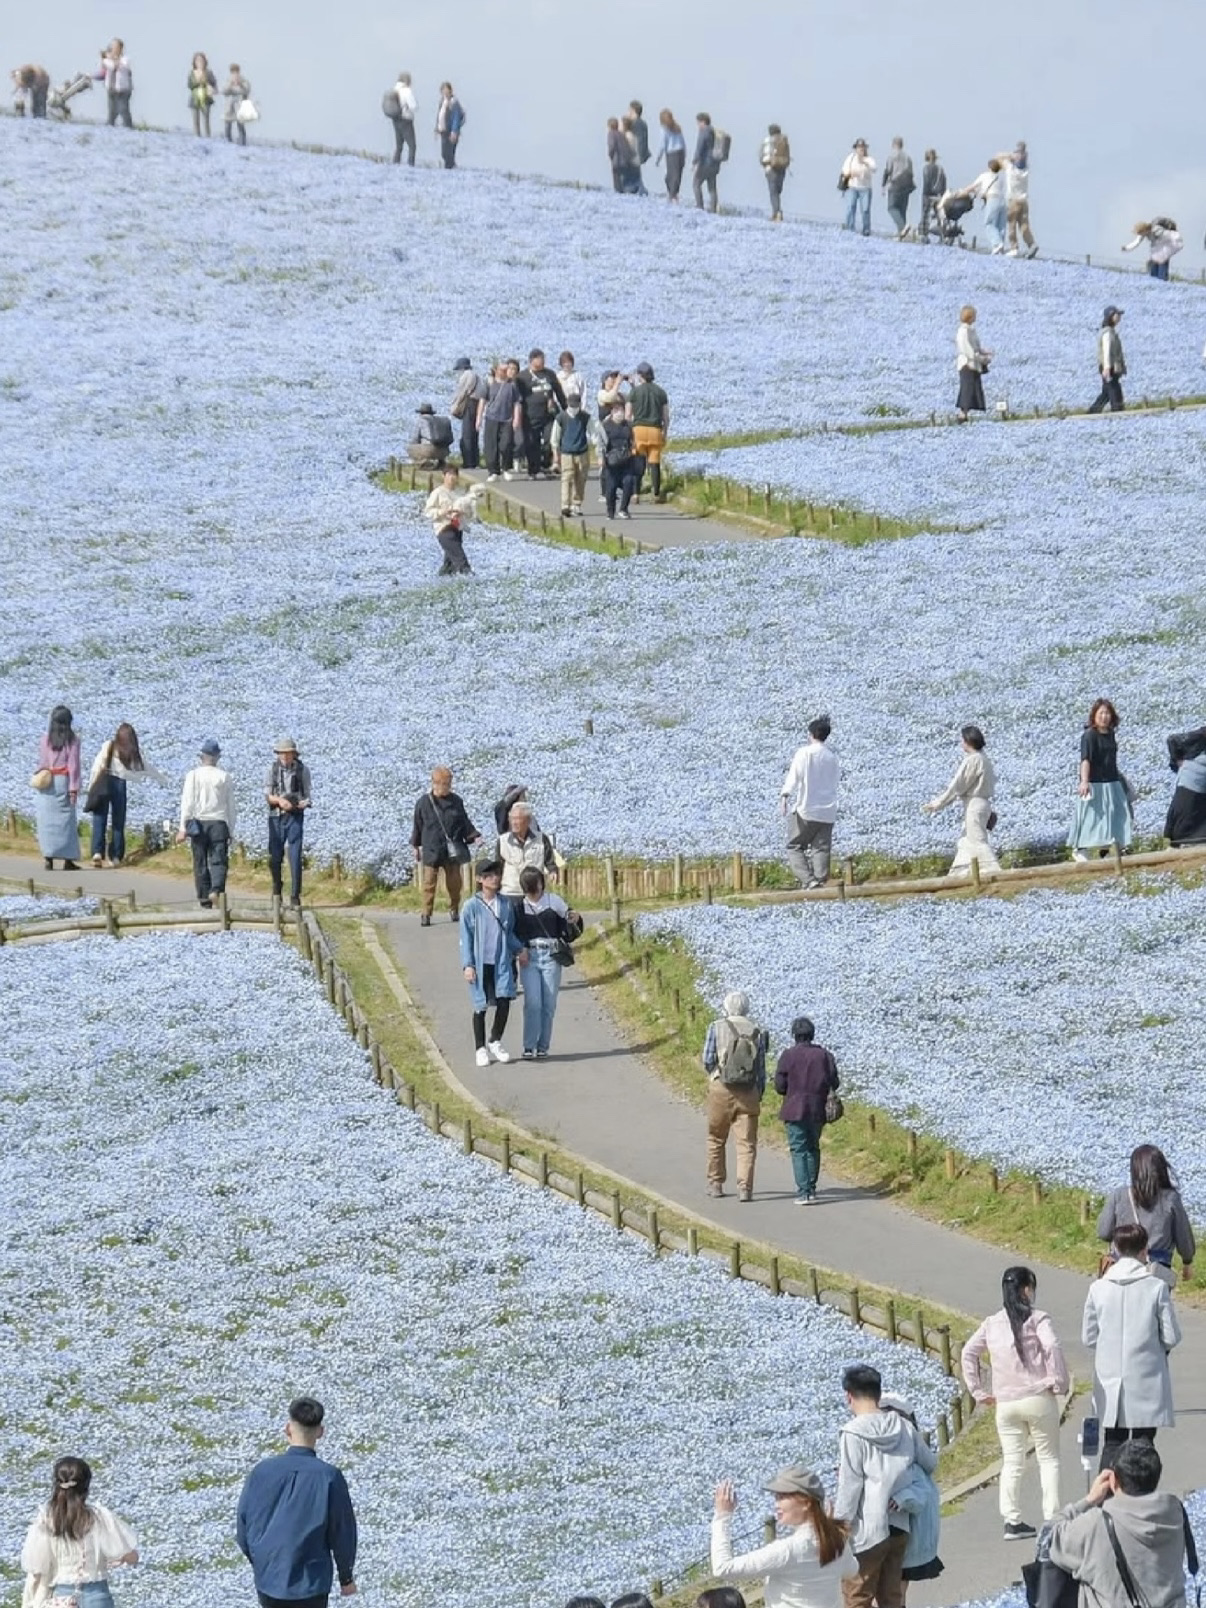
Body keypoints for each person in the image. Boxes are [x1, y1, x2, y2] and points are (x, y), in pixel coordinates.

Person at [960, 1267, 1069, 1539]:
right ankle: (1052, 1518)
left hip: (1006, 1403)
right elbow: (1052, 1346)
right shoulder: (1037, 1318)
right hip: (1038, 1397)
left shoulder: (991, 1323)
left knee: (1012, 1461)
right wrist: (1058, 1381)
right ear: (1026, 1290)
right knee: (1048, 1459)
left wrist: (977, 1390)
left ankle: (1011, 1521)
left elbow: (968, 1353)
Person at [236, 1396, 357, 1608]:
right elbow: (342, 1531)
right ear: (320, 1432)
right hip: (311, 1583)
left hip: (270, 1581)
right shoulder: (329, 1477)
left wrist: (261, 1562)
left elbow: (244, 1524)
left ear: (288, 1429)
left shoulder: (262, 1472)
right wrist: (346, 1577)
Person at [832, 1364, 938, 1608]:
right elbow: (930, 1463)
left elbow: (850, 1487)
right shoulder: (904, 1426)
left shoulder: (852, 1433)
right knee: (892, 1598)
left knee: (857, 1597)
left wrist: (838, 1531)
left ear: (849, 1396)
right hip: (899, 1525)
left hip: (867, 1530)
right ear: (878, 1394)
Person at [1047, 1442, 1197, 1608]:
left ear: (1113, 1479)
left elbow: (1048, 1537)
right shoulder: (1175, 1512)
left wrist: (1088, 1501)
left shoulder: (1096, 1524)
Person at [1084, 1223, 1182, 1468]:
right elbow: (1171, 1336)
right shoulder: (1156, 1287)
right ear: (1145, 1250)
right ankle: (1141, 1490)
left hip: (1109, 1378)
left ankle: (1107, 1490)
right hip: (1146, 1377)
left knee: (1112, 1442)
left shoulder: (1098, 1288)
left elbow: (1089, 1337)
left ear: (1115, 1249)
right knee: (1143, 1443)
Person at [710, 1466, 856, 1608]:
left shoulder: (787, 1550)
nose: (776, 1505)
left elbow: (723, 1568)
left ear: (806, 1503)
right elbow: (852, 1570)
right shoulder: (837, 1539)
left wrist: (722, 1516)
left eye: (782, 1497)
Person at [21, 1456, 138, 1608]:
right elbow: (131, 1556)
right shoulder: (100, 1518)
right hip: (97, 1597)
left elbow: (36, 1567)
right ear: (86, 1486)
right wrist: (117, 1558)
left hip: (62, 1600)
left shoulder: (45, 1522)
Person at [1097, 1145, 1195, 1288]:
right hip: (1156, 1270)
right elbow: (1183, 1236)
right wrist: (1187, 1261)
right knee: (1157, 1301)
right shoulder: (1170, 1198)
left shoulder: (1119, 1195)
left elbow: (1104, 1232)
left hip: (1121, 1266)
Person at [701, 990, 768, 1201]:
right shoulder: (757, 1031)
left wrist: (716, 1074)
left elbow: (707, 1059)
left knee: (716, 1137)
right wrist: (759, 1092)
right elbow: (761, 1068)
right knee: (746, 1143)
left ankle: (716, 1183)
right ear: (746, 1008)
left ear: (726, 1007)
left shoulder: (716, 1027)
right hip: (748, 1091)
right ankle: (745, 1188)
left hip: (721, 1088)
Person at [460, 858, 527, 1066]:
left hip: (501, 961)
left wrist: (520, 949)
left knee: (504, 1000)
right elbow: (466, 938)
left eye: (496, 874)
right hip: (480, 963)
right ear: (480, 879)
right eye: (489, 876)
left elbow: (509, 932)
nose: (494, 879)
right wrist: (468, 965)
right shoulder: (471, 906)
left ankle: (495, 1040)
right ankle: (480, 1048)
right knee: (480, 1005)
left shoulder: (505, 904)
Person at [513, 866, 582, 1059]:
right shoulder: (520, 906)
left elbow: (570, 920)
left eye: (537, 883)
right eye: (532, 885)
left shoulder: (554, 901)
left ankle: (543, 1046)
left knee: (549, 1004)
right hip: (530, 955)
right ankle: (529, 1045)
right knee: (533, 1002)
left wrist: (574, 917)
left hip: (551, 955)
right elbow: (514, 932)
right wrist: (520, 949)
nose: (536, 888)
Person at [878, 1396, 943, 1589]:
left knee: (890, 1581)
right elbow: (930, 1463)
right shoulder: (909, 1441)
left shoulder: (910, 1465)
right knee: (896, 1580)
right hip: (907, 1530)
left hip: (898, 1526)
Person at [86, 722, 170, 868]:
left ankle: (97, 853)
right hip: (120, 783)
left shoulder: (109, 745)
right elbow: (146, 767)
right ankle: (116, 856)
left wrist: (91, 786)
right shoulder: (132, 752)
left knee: (100, 818)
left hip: (103, 781)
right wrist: (161, 778)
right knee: (118, 821)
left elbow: (97, 766)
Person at [774, 1016, 839, 1204]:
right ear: (812, 1034)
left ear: (794, 1035)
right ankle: (811, 1188)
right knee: (813, 1147)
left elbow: (780, 1086)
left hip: (794, 1108)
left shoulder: (788, 1055)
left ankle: (803, 1192)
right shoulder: (824, 1055)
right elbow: (835, 1082)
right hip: (818, 1108)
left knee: (798, 1149)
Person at [922, 723, 1000, 876]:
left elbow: (958, 786)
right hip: (980, 804)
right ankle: (956, 875)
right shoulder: (984, 758)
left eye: (963, 740)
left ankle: (995, 873)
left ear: (968, 741)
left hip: (974, 805)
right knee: (966, 842)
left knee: (977, 841)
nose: (961, 743)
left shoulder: (974, 760)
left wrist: (938, 804)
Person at [410, 766, 481, 924]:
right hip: (432, 848)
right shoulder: (423, 803)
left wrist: (474, 836)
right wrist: (415, 846)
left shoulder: (456, 801)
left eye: (449, 783)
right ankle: (426, 913)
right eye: (445, 784)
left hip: (452, 849)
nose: (448, 787)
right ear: (435, 783)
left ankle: (454, 909)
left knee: (455, 883)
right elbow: (417, 826)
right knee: (429, 883)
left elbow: (464, 822)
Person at [1068, 697, 1132, 859]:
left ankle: (1107, 850)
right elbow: (1085, 760)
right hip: (1095, 783)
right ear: (1094, 716)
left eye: (1107, 713)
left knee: (1116, 815)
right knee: (1091, 817)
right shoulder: (1089, 735)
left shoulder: (1110, 734)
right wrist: (1084, 781)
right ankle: (1080, 849)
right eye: (1101, 713)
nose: (1104, 717)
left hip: (1112, 781)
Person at [177, 738, 237, 910]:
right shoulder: (224, 776)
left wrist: (182, 828)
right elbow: (231, 806)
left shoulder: (193, 775)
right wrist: (231, 830)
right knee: (219, 861)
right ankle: (216, 890)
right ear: (217, 757)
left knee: (200, 862)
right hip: (219, 823)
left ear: (201, 757)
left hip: (198, 824)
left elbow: (187, 803)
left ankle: (204, 900)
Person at [780, 716, 840, 889]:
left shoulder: (804, 753)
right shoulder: (832, 757)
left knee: (794, 846)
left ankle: (809, 880)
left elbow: (794, 776)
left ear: (811, 734)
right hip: (828, 810)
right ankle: (821, 882)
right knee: (821, 848)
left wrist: (785, 795)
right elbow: (834, 781)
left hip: (806, 808)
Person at [34, 705, 82, 871]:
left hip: (47, 782)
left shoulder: (45, 739)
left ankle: (48, 859)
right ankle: (68, 860)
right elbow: (73, 766)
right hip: (63, 781)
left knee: (47, 822)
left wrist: (39, 776)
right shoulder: (72, 741)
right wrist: (74, 788)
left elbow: (42, 763)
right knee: (66, 823)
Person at [265, 737, 311, 908]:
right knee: (275, 856)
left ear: (293, 754)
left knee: (295, 856)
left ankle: (295, 895)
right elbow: (268, 795)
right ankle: (277, 890)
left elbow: (308, 796)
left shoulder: (303, 770)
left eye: (287, 753)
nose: (284, 756)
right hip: (276, 816)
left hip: (295, 817)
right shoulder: (272, 769)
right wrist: (280, 801)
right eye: (281, 753)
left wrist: (301, 804)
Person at [423, 465, 482, 575]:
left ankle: (442, 578)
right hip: (444, 529)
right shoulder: (437, 492)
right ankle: (469, 576)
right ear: (444, 476)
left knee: (449, 564)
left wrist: (462, 513)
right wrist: (443, 512)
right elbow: (428, 512)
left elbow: (468, 512)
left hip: (457, 529)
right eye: (449, 474)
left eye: (454, 474)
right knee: (460, 559)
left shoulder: (460, 493)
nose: (452, 477)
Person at [496, 800, 558, 903]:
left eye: (518, 819)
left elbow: (549, 861)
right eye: (512, 819)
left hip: (534, 892)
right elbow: (498, 867)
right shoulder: (502, 841)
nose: (514, 822)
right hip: (510, 892)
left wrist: (553, 871)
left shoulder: (541, 838)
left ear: (528, 820)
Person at [516, 350, 566, 478]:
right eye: (539, 359)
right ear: (532, 360)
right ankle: (533, 470)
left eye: (543, 359)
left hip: (548, 415)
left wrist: (566, 409)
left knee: (550, 440)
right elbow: (517, 398)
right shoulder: (522, 377)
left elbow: (559, 392)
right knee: (532, 443)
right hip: (530, 415)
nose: (542, 361)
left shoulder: (549, 374)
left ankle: (546, 465)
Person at [626, 362, 670, 502]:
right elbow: (666, 417)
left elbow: (628, 415)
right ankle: (656, 493)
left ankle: (636, 493)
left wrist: (628, 433)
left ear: (640, 376)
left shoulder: (634, 392)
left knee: (638, 461)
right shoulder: (661, 392)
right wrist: (665, 432)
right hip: (655, 430)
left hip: (638, 430)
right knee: (654, 462)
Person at [551, 392, 597, 518]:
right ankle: (565, 505)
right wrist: (556, 455)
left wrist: (597, 448)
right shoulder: (561, 417)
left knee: (581, 479)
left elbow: (593, 433)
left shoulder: (585, 417)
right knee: (567, 478)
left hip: (582, 452)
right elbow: (555, 437)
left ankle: (576, 504)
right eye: (572, 406)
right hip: (566, 452)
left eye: (576, 406)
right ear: (568, 404)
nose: (574, 408)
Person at [478, 361, 523, 482]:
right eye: (503, 370)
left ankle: (506, 469)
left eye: (506, 370)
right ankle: (493, 471)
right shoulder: (489, 384)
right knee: (491, 446)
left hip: (507, 419)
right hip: (491, 418)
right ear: (497, 371)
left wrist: (516, 419)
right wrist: (478, 419)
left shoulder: (512, 385)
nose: (505, 372)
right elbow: (482, 401)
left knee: (506, 444)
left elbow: (516, 403)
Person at [1164, 724, 1206, 846]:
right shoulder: (1200, 735)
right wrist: (1178, 761)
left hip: (1201, 788)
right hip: (1190, 785)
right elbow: (1172, 740)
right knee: (1184, 822)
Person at [600, 401, 638, 520]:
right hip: (611, 461)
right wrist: (601, 457)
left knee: (628, 482)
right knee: (611, 487)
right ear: (612, 412)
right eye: (617, 411)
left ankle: (623, 509)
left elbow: (633, 441)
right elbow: (600, 443)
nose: (620, 414)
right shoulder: (606, 426)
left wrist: (634, 449)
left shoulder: (628, 425)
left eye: (621, 411)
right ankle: (610, 511)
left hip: (626, 460)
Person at [999, 143, 1038, 257]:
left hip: (1013, 201)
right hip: (1024, 201)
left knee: (1011, 224)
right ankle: (1031, 244)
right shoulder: (1026, 169)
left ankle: (1014, 247)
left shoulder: (1010, 168)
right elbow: (1023, 159)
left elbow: (998, 156)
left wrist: (1011, 155)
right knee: (1024, 225)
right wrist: (1021, 155)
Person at [954, 305, 990, 422]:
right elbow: (968, 350)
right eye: (974, 315)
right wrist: (981, 359)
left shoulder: (971, 330)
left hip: (973, 364)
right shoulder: (963, 332)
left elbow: (975, 347)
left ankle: (965, 414)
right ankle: (962, 415)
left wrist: (983, 352)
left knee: (973, 388)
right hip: (967, 364)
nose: (975, 317)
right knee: (967, 389)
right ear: (969, 317)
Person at [1088, 306, 1126, 414]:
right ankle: (1117, 411)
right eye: (1117, 315)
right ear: (1110, 316)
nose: (1119, 317)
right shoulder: (1107, 333)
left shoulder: (1111, 332)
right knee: (1114, 391)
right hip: (1109, 368)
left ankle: (1093, 412)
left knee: (1106, 393)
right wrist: (1107, 368)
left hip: (1110, 367)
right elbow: (1107, 351)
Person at [449, 358, 485, 470]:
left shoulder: (467, 375)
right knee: (474, 434)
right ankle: (475, 461)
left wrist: (454, 405)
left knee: (467, 435)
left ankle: (468, 462)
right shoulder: (477, 376)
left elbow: (462, 392)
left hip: (469, 404)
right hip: (477, 404)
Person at [966, 158, 1006, 251]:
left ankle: (997, 243)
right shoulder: (1001, 178)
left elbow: (972, 186)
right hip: (1003, 201)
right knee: (1000, 226)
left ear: (989, 167)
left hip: (992, 200)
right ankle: (1000, 248)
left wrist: (964, 191)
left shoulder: (984, 176)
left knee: (989, 223)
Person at [839, 140, 875, 234]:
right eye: (859, 147)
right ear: (856, 148)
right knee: (851, 206)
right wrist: (851, 174)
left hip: (865, 188)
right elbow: (845, 170)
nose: (861, 149)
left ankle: (866, 229)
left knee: (865, 209)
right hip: (852, 186)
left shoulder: (869, 159)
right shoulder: (851, 158)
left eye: (862, 147)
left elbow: (874, 168)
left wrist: (864, 163)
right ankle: (850, 227)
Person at [882, 137, 915, 238]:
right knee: (902, 210)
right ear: (902, 145)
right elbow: (911, 173)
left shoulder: (892, 156)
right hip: (906, 187)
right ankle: (903, 234)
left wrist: (883, 185)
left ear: (893, 145)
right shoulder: (908, 157)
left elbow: (888, 171)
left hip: (895, 185)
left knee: (892, 208)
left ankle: (902, 228)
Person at [96, 41, 133, 128]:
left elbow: (119, 65)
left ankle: (129, 128)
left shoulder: (125, 59)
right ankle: (110, 127)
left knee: (123, 110)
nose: (114, 49)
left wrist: (113, 58)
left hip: (123, 90)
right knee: (112, 112)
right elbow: (109, 66)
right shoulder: (106, 60)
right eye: (113, 47)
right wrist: (106, 57)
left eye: (116, 47)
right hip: (111, 89)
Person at [760, 124, 791, 221]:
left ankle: (776, 212)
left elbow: (762, 156)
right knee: (778, 190)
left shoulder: (767, 141)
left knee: (773, 192)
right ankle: (777, 211)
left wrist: (764, 164)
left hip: (770, 169)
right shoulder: (784, 141)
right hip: (782, 167)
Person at [408, 402, 455, 467]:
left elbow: (415, 439)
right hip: (445, 451)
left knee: (410, 448)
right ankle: (441, 461)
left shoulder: (421, 420)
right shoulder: (441, 420)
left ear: (421, 413)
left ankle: (423, 461)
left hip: (430, 451)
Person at [656, 109, 686, 201]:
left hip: (672, 153)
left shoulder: (664, 129)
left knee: (670, 176)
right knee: (676, 176)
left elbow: (662, 145)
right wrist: (684, 155)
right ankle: (674, 195)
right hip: (680, 152)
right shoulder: (677, 128)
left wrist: (658, 158)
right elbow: (683, 142)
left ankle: (672, 196)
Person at [693, 113, 720, 212]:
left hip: (705, 163)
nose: (698, 125)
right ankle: (713, 209)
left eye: (698, 123)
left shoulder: (704, 132)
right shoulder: (714, 132)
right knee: (712, 187)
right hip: (715, 163)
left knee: (696, 183)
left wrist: (695, 161)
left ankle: (699, 206)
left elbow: (699, 147)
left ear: (703, 122)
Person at [389, 71, 417, 166]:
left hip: (395, 119)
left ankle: (395, 163)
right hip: (406, 119)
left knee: (399, 145)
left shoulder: (395, 89)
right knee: (412, 145)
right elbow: (413, 106)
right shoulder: (407, 91)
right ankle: (410, 165)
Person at [187, 53, 217, 138]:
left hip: (206, 98)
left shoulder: (208, 72)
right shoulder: (192, 73)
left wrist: (207, 84)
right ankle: (197, 136)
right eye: (197, 60)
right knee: (195, 120)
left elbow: (213, 83)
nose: (199, 62)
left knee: (206, 119)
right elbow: (189, 85)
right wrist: (197, 82)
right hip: (194, 98)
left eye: (201, 60)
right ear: (194, 62)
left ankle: (207, 136)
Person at [919, 149, 946, 241]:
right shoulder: (940, 169)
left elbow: (926, 182)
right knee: (939, 216)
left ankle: (924, 234)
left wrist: (926, 193)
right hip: (938, 195)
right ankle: (942, 235)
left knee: (925, 215)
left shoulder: (926, 168)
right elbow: (944, 183)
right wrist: (942, 195)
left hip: (927, 194)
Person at [435, 83, 464, 168]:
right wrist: (437, 128)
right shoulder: (442, 102)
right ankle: (450, 167)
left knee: (449, 153)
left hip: (451, 131)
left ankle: (450, 169)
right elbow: (439, 116)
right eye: (443, 90)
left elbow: (456, 118)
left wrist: (454, 131)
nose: (445, 92)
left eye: (447, 90)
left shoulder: (454, 103)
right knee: (444, 153)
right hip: (443, 130)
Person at [223, 65, 251, 144]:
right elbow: (224, 91)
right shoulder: (228, 81)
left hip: (239, 106)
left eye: (236, 72)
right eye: (233, 72)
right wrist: (230, 85)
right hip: (229, 106)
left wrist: (240, 84)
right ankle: (227, 141)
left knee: (240, 125)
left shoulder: (243, 81)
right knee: (228, 124)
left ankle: (242, 142)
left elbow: (247, 90)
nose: (235, 74)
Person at [628, 100, 650, 192]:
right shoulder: (642, 123)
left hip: (635, 154)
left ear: (633, 110)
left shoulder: (636, 124)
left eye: (629, 110)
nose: (628, 113)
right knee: (636, 176)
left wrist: (638, 155)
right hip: (638, 154)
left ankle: (640, 191)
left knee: (634, 177)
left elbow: (640, 140)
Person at [607, 118, 630, 192]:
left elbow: (612, 146)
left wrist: (610, 155)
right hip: (624, 161)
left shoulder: (611, 134)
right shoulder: (622, 134)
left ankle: (618, 193)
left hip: (617, 160)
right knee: (623, 181)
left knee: (616, 180)